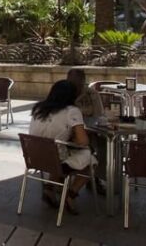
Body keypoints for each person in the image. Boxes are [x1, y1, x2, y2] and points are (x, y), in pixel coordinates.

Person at [29, 80, 97, 214]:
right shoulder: (71, 111)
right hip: (56, 159)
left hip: (34, 156)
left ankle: (49, 188)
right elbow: (83, 141)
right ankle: (71, 194)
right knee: (91, 160)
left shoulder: (38, 108)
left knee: (58, 150)